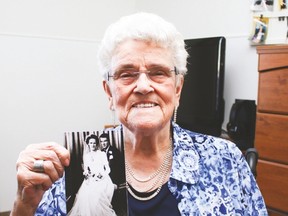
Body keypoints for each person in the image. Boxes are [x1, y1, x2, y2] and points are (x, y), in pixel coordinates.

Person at [10, 12, 268, 216]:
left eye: (158, 72)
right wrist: (24, 206)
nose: (143, 86)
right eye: (127, 73)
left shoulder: (226, 161)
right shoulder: (68, 169)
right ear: (109, 92)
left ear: (177, 88)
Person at [67, 134, 116, 216]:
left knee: (97, 194)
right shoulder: (86, 156)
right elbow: (86, 169)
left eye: (94, 143)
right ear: (88, 144)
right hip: (91, 179)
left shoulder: (101, 154)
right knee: (85, 195)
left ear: (96, 144)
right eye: (91, 143)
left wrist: (101, 175)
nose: (92, 145)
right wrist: (86, 173)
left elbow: (108, 169)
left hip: (103, 179)